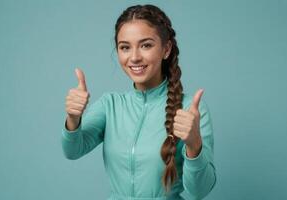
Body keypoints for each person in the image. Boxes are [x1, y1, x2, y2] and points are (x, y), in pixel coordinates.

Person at [62, 4, 216, 200]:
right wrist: (73, 118)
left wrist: (194, 146)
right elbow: (72, 151)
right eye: (125, 47)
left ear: (166, 49)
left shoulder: (189, 110)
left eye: (146, 45)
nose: (134, 57)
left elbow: (199, 191)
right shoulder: (110, 105)